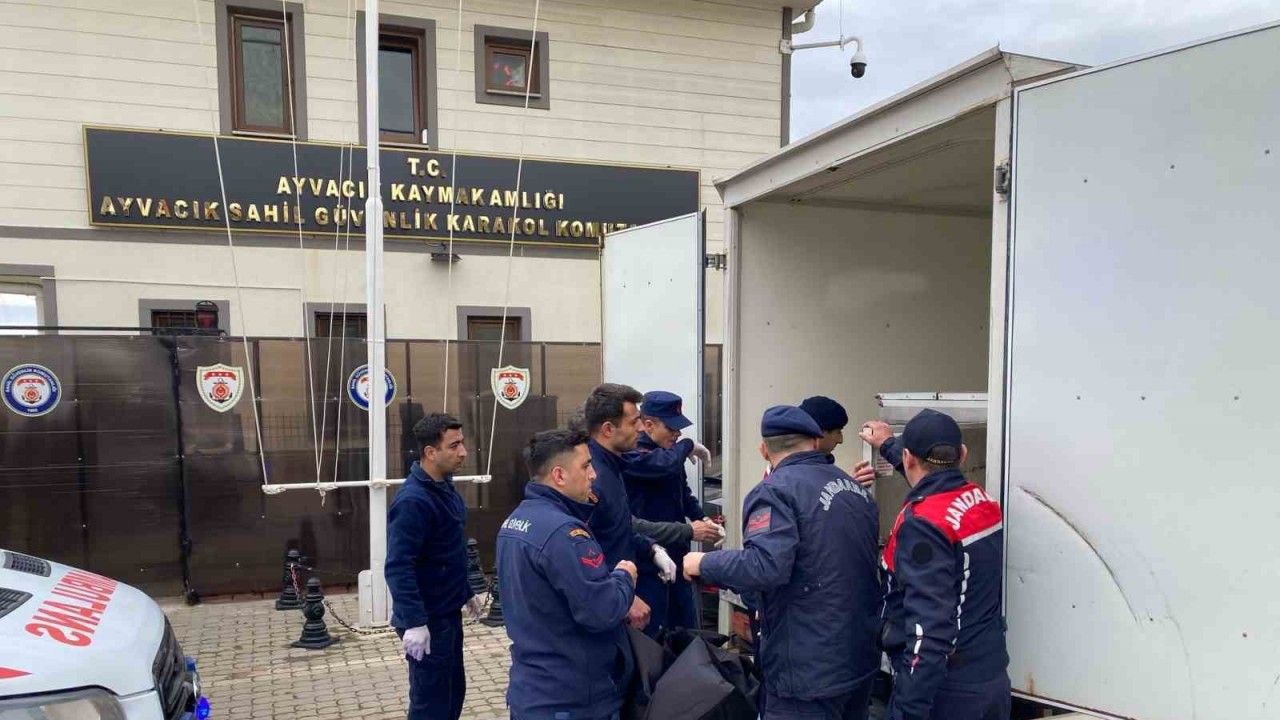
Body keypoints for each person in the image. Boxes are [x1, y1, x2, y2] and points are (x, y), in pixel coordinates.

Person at [684, 406, 882, 720]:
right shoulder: (855, 489)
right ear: (815, 442)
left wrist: (704, 562)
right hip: (859, 657)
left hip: (807, 670)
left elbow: (765, 566)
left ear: (764, 450)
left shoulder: (774, 492)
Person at [860, 410, 1010, 720]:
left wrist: (908, 709)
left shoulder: (924, 524)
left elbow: (928, 631)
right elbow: (932, 481)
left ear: (908, 458)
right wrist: (888, 444)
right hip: (990, 676)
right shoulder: (982, 500)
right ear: (962, 454)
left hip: (947, 689)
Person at [497, 428, 639, 720]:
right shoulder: (565, 532)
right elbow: (601, 610)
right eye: (586, 466)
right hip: (571, 697)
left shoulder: (515, 521)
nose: (593, 475)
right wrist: (625, 578)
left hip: (533, 690)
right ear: (559, 475)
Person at [385, 413, 484, 720]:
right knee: (430, 704)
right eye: (454, 446)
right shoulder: (413, 501)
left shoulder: (444, 487)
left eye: (462, 443)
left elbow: (447, 549)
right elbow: (399, 566)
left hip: (447, 613)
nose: (463, 452)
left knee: (452, 694)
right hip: (427, 620)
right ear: (430, 452)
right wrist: (414, 622)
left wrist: (465, 591)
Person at [582, 383, 684, 630]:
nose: (640, 428)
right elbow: (583, 551)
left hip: (625, 589)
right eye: (633, 422)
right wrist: (622, 596)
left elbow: (617, 526)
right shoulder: (593, 477)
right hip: (609, 606)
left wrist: (650, 547)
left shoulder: (613, 465)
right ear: (608, 429)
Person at [623, 390, 723, 637]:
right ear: (648, 425)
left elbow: (683, 493)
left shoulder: (669, 454)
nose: (677, 434)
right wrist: (687, 446)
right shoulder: (632, 454)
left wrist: (702, 518)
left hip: (677, 556)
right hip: (648, 560)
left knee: (686, 633)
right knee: (653, 639)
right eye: (671, 428)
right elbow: (662, 466)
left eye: (679, 429)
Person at [800, 394, 875, 489]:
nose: (840, 440)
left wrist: (848, 486)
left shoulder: (809, 469)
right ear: (818, 433)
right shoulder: (797, 474)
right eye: (838, 432)